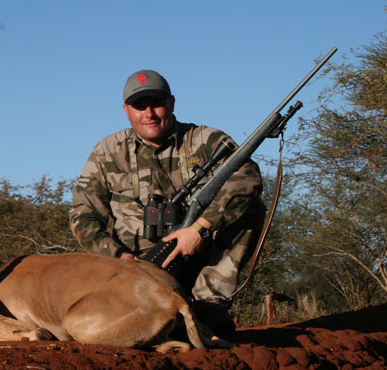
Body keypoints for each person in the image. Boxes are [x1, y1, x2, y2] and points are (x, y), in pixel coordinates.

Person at [69, 69, 266, 335]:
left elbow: (248, 176)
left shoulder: (205, 139)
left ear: (172, 103)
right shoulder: (106, 152)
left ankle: (209, 303)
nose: (148, 113)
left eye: (156, 104)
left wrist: (199, 229)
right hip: (135, 271)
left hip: (197, 255)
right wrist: (119, 258)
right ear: (127, 110)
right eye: (139, 106)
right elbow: (82, 215)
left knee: (250, 209)